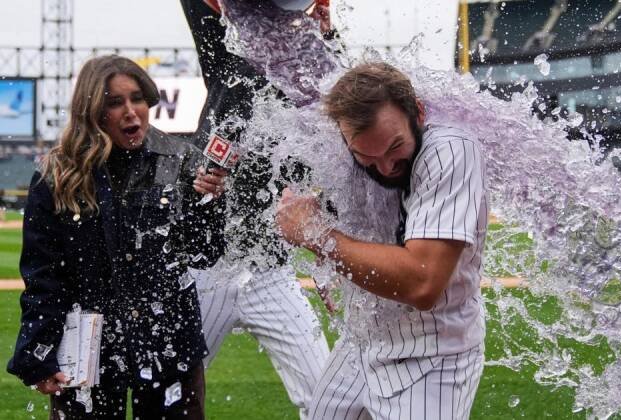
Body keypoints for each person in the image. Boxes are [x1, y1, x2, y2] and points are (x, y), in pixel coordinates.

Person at [6, 55, 227, 419]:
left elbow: (204, 253)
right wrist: (38, 351)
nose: (131, 111)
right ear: (91, 110)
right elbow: (44, 275)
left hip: (168, 340)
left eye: (137, 98)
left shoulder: (181, 160)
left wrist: (212, 204)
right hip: (87, 347)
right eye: (114, 102)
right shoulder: (56, 175)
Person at [276, 62, 489, 419]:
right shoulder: (347, 148)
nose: (386, 167)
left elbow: (423, 281)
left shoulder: (451, 149)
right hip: (361, 343)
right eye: (366, 158)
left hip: (432, 356)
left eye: (395, 148)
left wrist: (318, 237)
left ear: (417, 113)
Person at [179, 0, 330, 416]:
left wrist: (327, 28)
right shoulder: (228, 69)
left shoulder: (309, 86)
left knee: (324, 397)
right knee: (172, 393)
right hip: (207, 269)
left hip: (269, 271)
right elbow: (203, 16)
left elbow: (349, 87)